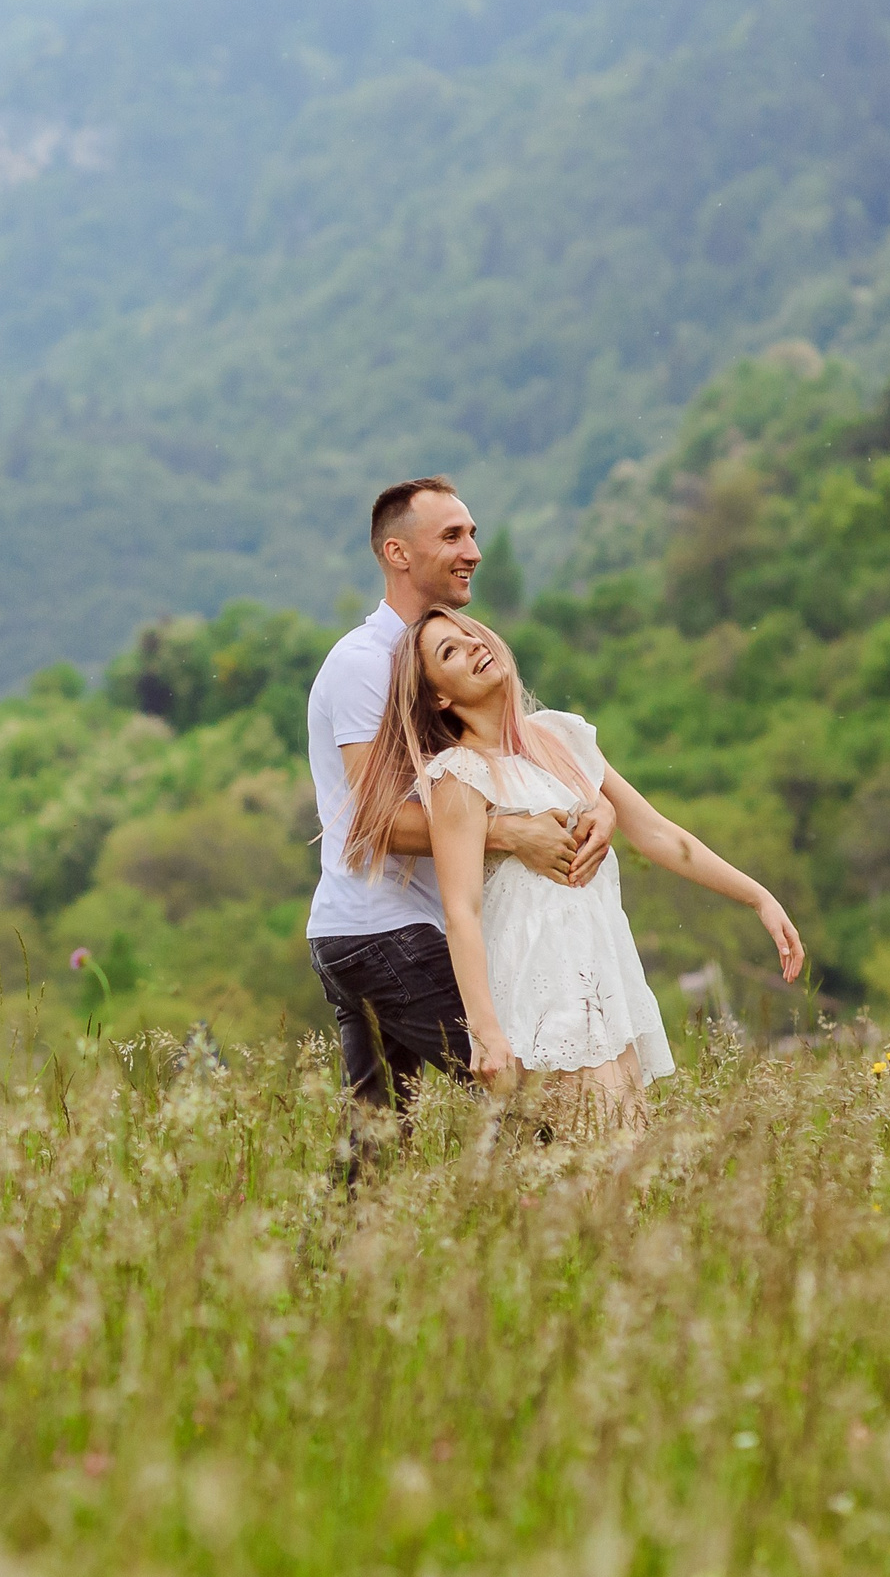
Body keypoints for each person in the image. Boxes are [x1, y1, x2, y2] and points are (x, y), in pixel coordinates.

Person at [349, 605, 805, 1128]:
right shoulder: (461, 774)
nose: (473, 646)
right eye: (449, 651)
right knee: (608, 1169)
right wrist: (485, 1031)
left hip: (601, 984)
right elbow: (462, 911)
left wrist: (759, 897)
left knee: (610, 1181)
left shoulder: (561, 738)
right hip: (540, 997)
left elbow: (657, 833)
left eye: (471, 635)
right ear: (438, 696)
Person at [306, 477, 614, 1158]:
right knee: (536, 1112)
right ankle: (550, 1241)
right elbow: (373, 823)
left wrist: (602, 807)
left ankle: (333, 1264)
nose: (472, 550)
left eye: (472, 533)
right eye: (451, 536)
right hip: (385, 931)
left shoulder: (435, 654)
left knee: (375, 1149)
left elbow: (510, 755)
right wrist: (509, 835)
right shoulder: (366, 663)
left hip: (376, 931)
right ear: (398, 553)